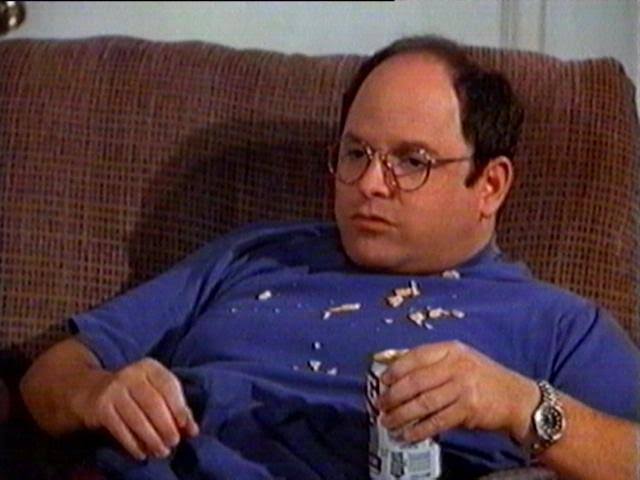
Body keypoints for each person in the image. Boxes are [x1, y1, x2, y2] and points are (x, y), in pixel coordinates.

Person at [20, 35, 640, 479]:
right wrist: (97, 392)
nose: (369, 184)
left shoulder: (555, 323)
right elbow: (49, 375)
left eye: (411, 162)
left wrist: (522, 406)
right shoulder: (257, 253)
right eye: (356, 153)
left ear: (490, 185)